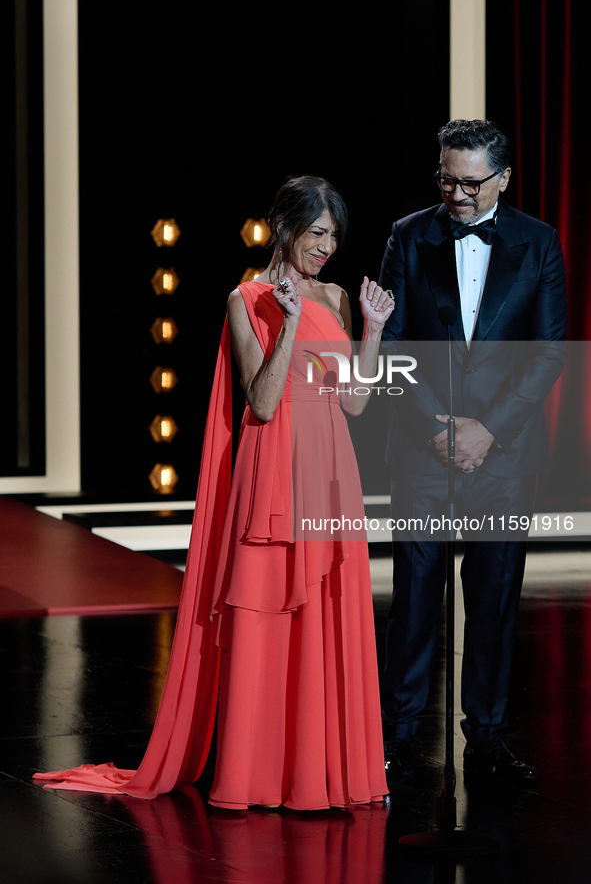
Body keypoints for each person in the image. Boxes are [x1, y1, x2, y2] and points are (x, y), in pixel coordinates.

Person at [34, 176, 393, 810]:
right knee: (270, 616)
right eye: (316, 234)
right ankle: (263, 776)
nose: (327, 248)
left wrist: (372, 328)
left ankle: (322, 770)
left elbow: (359, 403)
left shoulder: (337, 295)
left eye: (334, 236)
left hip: (331, 475)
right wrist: (284, 323)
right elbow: (260, 399)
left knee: (324, 616)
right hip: (276, 474)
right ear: (284, 228)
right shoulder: (245, 297)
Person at [378, 120, 568, 784]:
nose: (454, 193)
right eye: (445, 178)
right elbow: (393, 341)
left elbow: (548, 351)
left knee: (492, 598)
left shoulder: (538, 241)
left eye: (468, 181)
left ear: (503, 178)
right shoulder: (407, 235)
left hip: (506, 452)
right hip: (421, 446)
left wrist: (487, 428)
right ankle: (396, 740)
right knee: (415, 594)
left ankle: (485, 737)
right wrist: (435, 423)